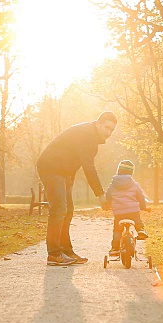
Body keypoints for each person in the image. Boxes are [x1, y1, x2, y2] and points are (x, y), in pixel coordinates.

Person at [36, 111, 117, 266]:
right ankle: (54, 254)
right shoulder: (87, 135)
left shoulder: (91, 137)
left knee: (68, 210)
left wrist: (70, 177)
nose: (108, 133)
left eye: (111, 130)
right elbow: (88, 167)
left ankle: (66, 250)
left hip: (64, 172)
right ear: (98, 123)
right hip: (51, 167)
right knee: (59, 209)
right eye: (106, 128)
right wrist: (100, 194)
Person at [104, 160, 149, 257]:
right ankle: (140, 230)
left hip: (119, 213)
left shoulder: (113, 185)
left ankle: (115, 249)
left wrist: (106, 206)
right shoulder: (134, 184)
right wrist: (144, 207)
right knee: (137, 221)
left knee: (117, 231)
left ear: (118, 171)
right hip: (133, 211)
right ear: (131, 173)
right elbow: (140, 197)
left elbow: (108, 196)